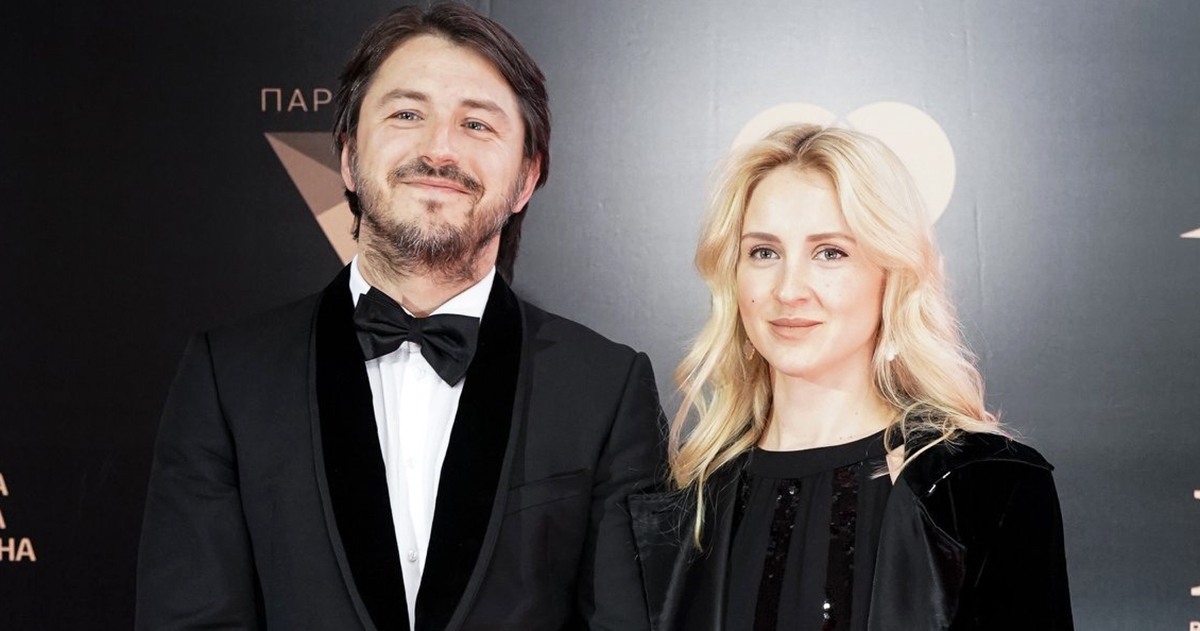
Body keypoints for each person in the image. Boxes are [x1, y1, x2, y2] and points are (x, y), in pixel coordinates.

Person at [136, 4, 663, 631]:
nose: (439, 149)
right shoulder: (229, 378)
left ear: (527, 178)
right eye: (407, 114)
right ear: (348, 156)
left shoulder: (606, 389)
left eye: (476, 124)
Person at [630, 124, 1073, 631]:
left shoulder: (984, 486)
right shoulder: (688, 501)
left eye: (830, 253)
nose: (789, 290)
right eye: (764, 252)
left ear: (892, 275)